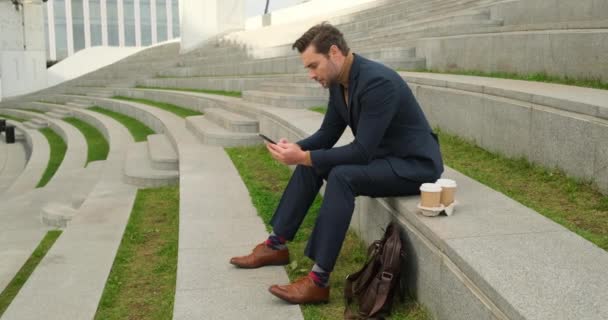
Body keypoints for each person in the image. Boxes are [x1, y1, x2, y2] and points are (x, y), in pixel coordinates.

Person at [229, 22, 444, 305]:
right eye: (308, 68)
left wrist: (304, 156)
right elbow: (327, 135)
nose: (311, 75)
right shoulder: (339, 82)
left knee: (341, 175)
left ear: (334, 52)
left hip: (414, 166)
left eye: (313, 66)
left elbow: (362, 152)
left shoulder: (377, 82)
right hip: (385, 157)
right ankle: (276, 245)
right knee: (313, 163)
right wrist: (297, 149)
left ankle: (318, 281)